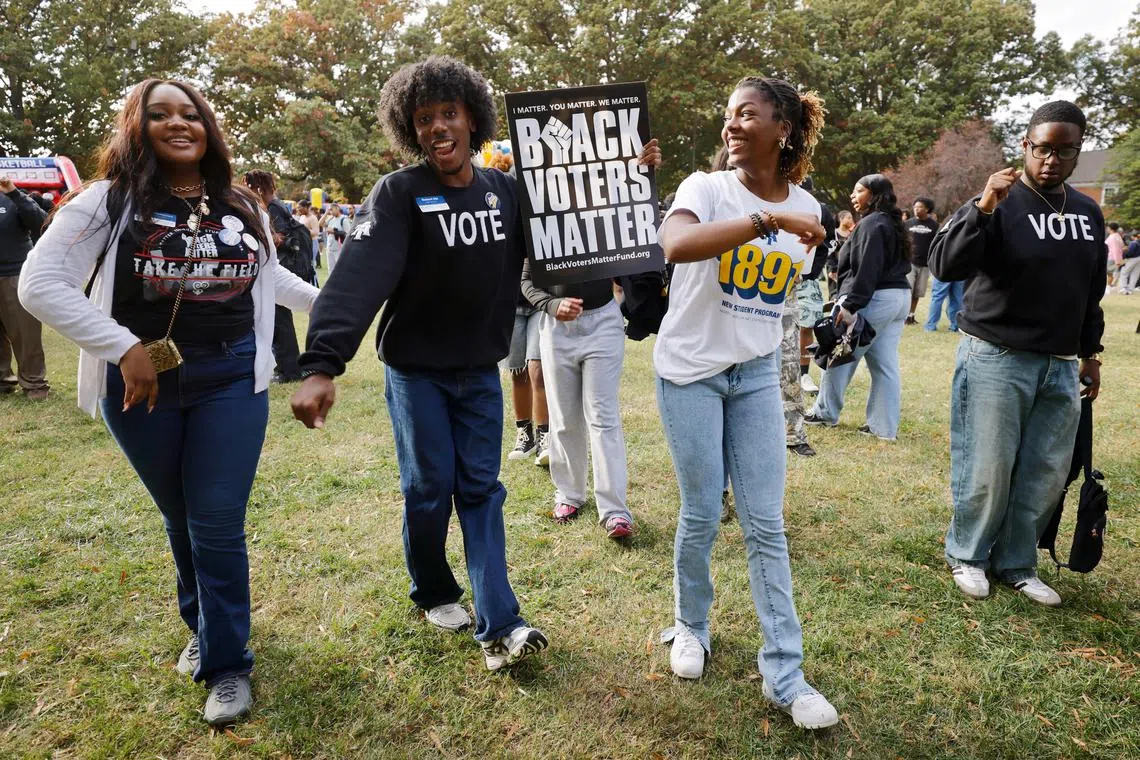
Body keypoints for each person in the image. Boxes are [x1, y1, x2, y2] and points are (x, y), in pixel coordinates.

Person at [17, 79, 319, 726]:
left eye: (191, 114)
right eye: (160, 115)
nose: (179, 124)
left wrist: (339, 308)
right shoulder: (107, 203)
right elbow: (40, 284)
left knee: (215, 519)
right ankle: (204, 627)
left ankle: (229, 662)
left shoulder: (240, 204)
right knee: (181, 515)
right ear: (136, 127)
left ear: (208, 127)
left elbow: (273, 278)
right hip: (141, 386)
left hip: (233, 378)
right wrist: (122, 346)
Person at [289, 56, 549, 671]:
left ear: (472, 120)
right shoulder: (401, 193)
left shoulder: (506, 191)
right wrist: (322, 362)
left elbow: (573, 231)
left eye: (448, 114)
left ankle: (500, 625)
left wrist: (628, 176)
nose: (438, 126)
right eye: (424, 118)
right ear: (411, 129)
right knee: (429, 488)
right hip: (417, 373)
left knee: (481, 489)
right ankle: (433, 588)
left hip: (480, 374)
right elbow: (357, 279)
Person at [656, 75, 838, 730]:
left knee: (765, 522)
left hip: (756, 374)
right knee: (702, 512)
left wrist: (787, 219)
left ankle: (784, 674)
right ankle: (690, 626)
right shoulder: (705, 189)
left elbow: (786, 293)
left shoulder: (809, 210)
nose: (732, 125)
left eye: (748, 114)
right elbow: (675, 246)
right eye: (729, 115)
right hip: (689, 373)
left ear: (782, 129)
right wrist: (765, 220)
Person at [929, 100, 1105, 607]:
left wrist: (1091, 354)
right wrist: (982, 206)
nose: (1050, 160)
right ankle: (967, 554)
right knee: (988, 464)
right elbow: (944, 266)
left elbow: (1089, 291)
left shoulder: (1088, 213)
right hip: (997, 357)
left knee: (1045, 470)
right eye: (1041, 148)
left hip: (1060, 363)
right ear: (1025, 146)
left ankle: (1017, 563)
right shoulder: (1000, 200)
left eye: (1063, 151)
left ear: (1076, 153)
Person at [521, 266, 636, 538]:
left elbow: (632, 257)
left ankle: (615, 510)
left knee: (603, 417)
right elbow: (526, 280)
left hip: (603, 321)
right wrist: (550, 304)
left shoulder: (605, 221)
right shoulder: (540, 222)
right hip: (557, 327)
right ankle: (569, 494)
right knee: (563, 417)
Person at [805, 174, 911, 440]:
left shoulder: (873, 224)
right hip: (898, 298)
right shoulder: (890, 222)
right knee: (884, 363)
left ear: (874, 195)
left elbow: (867, 268)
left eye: (859, 191)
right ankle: (883, 427)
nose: (853, 196)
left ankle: (824, 412)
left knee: (840, 354)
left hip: (874, 298)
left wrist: (851, 305)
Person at [245, 170, 306, 383]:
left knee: (280, 321)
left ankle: (289, 370)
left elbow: (279, 237)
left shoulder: (272, 208)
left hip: (281, 269)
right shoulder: (276, 205)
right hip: (281, 267)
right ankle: (288, 368)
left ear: (258, 187)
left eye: (248, 186)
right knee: (280, 320)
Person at [0, 175, 50, 400]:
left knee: (24, 333)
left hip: (14, 274)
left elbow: (42, 223)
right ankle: (2, 381)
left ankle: (34, 383)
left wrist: (13, 192)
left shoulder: (15, 197)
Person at [500, 291, 550, 467]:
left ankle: (545, 435)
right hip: (510, 302)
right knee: (518, 371)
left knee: (537, 369)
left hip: (541, 300)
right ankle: (525, 435)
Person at [795, 176, 835, 397]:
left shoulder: (821, 211)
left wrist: (810, 272)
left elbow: (828, 244)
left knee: (807, 325)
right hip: (775, 276)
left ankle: (803, 373)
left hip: (806, 279)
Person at [905, 197, 937, 325]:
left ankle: (911, 315)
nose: (916, 209)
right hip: (910, 263)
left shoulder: (934, 226)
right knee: (908, 290)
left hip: (925, 264)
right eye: (915, 207)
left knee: (918, 292)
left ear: (927, 209)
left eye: (920, 207)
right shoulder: (907, 224)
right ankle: (904, 315)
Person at [826, 210, 854, 300]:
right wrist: (832, 269)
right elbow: (829, 253)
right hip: (835, 269)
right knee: (836, 295)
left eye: (851, 218)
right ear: (841, 219)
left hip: (849, 270)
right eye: (849, 218)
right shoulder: (833, 234)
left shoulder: (852, 234)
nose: (851, 220)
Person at [321, 203, 348, 272]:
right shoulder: (331, 219)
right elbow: (320, 224)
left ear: (337, 209)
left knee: (340, 269)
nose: (331, 212)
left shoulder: (344, 219)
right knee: (330, 269)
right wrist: (326, 213)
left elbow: (348, 234)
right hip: (330, 247)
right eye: (330, 210)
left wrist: (334, 232)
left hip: (339, 248)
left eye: (332, 209)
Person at [1116, 228, 1140, 293]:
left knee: (1124, 272)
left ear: (1133, 236)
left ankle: (1123, 287)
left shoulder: (1134, 243)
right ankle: (1131, 289)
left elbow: (1130, 253)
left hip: (1131, 259)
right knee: (1135, 274)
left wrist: (1125, 256)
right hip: (1139, 259)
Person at [1105, 222, 1124, 288]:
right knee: (1111, 273)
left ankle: (1108, 286)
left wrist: (1117, 261)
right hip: (1115, 257)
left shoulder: (1113, 237)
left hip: (1112, 257)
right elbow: (1121, 246)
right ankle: (1109, 286)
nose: (1107, 228)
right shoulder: (1117, 236)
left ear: (1110, 228)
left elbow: (1115, 249)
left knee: (1109, 272)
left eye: (1108, 227)